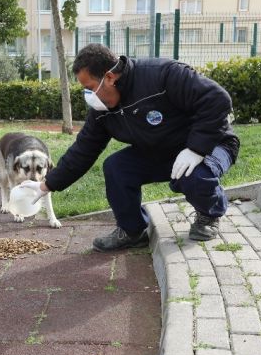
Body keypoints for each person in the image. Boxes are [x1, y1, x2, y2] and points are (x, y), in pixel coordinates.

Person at [23, 44, 240, 252]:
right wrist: (47, 185)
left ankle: (209, 215)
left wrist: (196, 148)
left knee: (193, 176)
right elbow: (83, 150)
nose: (88, 96)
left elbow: (217, 100)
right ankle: (132, 231)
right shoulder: (102, 110)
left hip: (212, 143)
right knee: (116, 168)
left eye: (90, 88)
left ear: (109, 77)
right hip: (162, 150)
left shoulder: (162, 75)